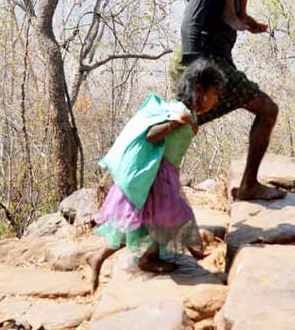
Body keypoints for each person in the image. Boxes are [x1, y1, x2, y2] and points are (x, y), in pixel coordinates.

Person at [172, 0, 285, 202]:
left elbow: (223, 16)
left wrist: (247, 22)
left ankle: (129, 187)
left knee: (177, 127)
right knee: (176, 127)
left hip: (214, 62)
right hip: (202, 63)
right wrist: (195, 75)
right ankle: (248, 186)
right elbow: (191, 24)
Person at [92, 58, 226, 273]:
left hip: (167, 173)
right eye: (214, 94)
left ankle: (153, 256)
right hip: (157, 176)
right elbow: (151, 136)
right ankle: (105, 258)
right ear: (199, 90)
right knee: (168, 216)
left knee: (157, 219)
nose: (216, 100)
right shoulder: (177, 111)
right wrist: (175, 123)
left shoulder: (188, 112)